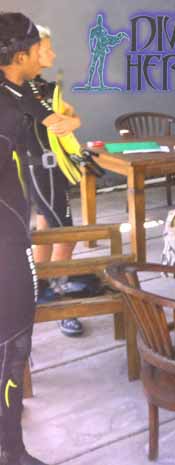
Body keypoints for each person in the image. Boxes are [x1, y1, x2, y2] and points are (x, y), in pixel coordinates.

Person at [0, 11, 52, 465]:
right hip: (7, 244)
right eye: (39, 49)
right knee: (13, 346)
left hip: (12, 234)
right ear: (20, 55)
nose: (43, 56)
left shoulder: (18, 97)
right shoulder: (9, 109)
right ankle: (12, 450)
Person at [24, 24, 85, 337]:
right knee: (65, 234)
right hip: (42, 170)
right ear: (29, 53)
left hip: (49, 169)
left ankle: (38, 291)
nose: (53, 54)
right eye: (46, 49)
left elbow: (70, 118)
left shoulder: (42, 87)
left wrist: (70, 119)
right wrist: (68, 120)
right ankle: (62, 302)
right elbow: (63, 121)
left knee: (46, 227)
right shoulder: (22, 89)